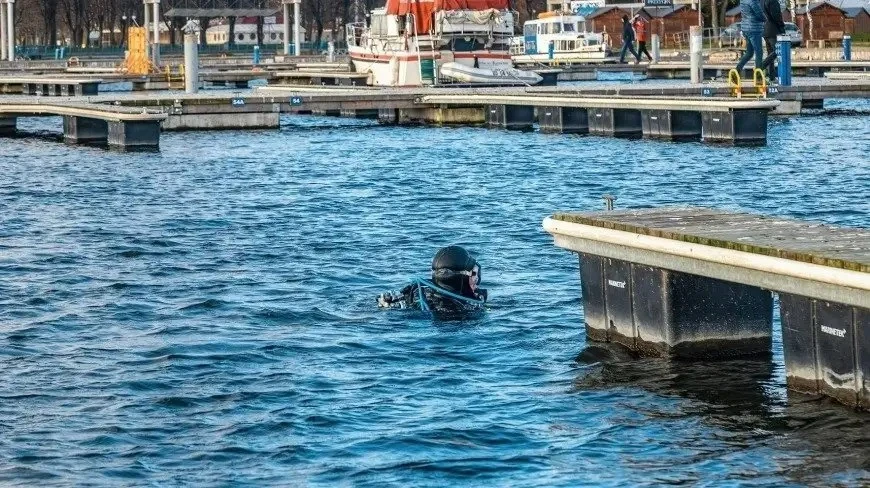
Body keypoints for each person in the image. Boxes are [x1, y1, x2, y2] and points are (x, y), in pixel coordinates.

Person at [377, 245, 487, 318]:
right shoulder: (457, 310)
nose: (476, 279)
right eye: (473, 274)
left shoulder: (419, 291)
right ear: (457, 279)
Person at [736, 0, 766, 74]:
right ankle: (758, 75)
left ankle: (737, 70)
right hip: (754, 29)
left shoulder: (743, 1)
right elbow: (759, 14)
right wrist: (766, 19)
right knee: (759, 52)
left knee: (749, 53)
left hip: (746, 28)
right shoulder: (753, 1)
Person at [761, 0, 785, 80]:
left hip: (764, 30)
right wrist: (781, 26)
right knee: (778, 50)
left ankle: (772, 77)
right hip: (773, 29)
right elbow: (776, 15)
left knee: (770, 53)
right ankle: (761, 66)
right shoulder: (773, 1)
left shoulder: (761, 1)